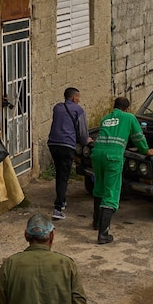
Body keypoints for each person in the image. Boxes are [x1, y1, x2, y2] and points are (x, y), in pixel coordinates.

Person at [90, 96, 153, 244]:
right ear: (127, 108)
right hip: (112, 157)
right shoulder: (129, 117)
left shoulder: (106, 118)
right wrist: (146, 150)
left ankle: (96, 223)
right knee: (111, 193)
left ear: (114, 107)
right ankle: (103, 235)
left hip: (97, 154)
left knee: (99, 187)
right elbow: (138, 136)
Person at [46, 87, 88, 221]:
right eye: (78, 97)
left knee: (59, 173)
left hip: (53, 144)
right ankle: (57, 208)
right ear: (74, 97)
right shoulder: (79, 110)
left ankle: (62, 200)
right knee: (64, 176)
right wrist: (86, 141)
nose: (79, 100)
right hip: (67, 145)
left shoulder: (57, 107)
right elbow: (82, 133)